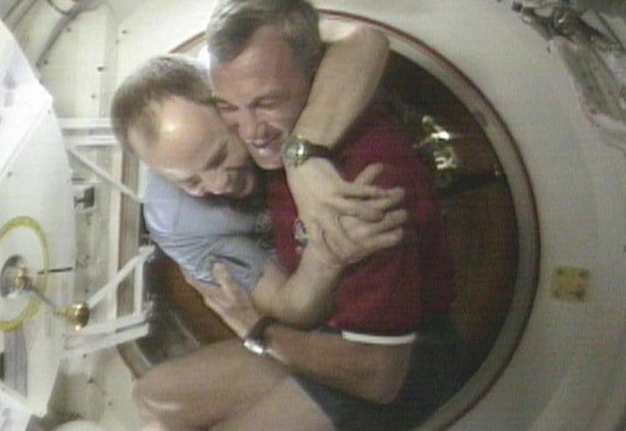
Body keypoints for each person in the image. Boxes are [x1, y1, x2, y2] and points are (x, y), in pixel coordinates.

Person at [167, 0, 460, 430]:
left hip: (393, 365)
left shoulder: (361, 187)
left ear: (315, 75)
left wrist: (258, 330)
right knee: (154, 401)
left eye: (266, 103)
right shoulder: (277, 142)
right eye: (228, 106)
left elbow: (379, 377)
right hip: (322, 332)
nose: (249, 131)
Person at [113, 55, 406, 328]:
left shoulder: (254, 75)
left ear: (230, 106)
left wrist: (302, 155)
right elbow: (291, 307)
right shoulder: (179, 224)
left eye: (218, 158)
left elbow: (364, 45)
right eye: (191, 183)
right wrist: (328, 254)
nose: (218, 185)